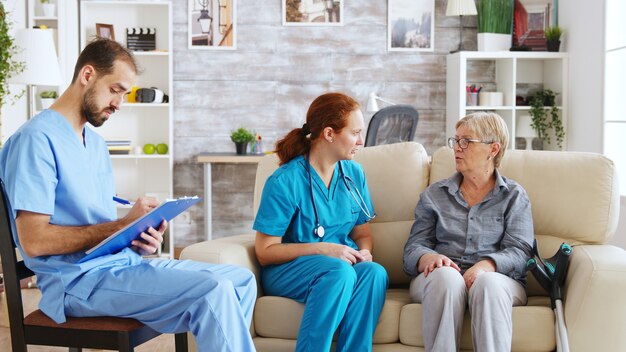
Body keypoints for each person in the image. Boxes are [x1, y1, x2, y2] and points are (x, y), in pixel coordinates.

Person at [0, 38, 256, 352]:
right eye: (115, 90)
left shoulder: (94, 144)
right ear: (88, 75)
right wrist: (122, 226)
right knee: (213, 290)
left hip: (120, 266)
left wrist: (137, 235)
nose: (119, 104)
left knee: (241, 279)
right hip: (76, 283)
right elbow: (34, 241)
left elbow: (97, 225)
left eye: (124, 94)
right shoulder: (34, 140)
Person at [253, 92, 389, 351]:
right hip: (290, 269)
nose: (361, 141)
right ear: (329, 134)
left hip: (341, 266)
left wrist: (365, 252)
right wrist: (323, 249)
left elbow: (363, 235)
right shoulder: (285, 181)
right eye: (355, 133)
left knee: (374, 273)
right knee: (338, 271)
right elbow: (264, 252)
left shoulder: (353, 174)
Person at [403, 112, 534, 352]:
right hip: (440, 278)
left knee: (488, 284)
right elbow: (413, 248)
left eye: (466, 141)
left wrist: (487, 266)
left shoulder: (514, 196)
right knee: (446, 277)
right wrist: (429, 258)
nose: (457, 148)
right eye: (456, 140)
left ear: (493, 149)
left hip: (498, 279)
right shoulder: (434, 195)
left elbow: (521, 252)